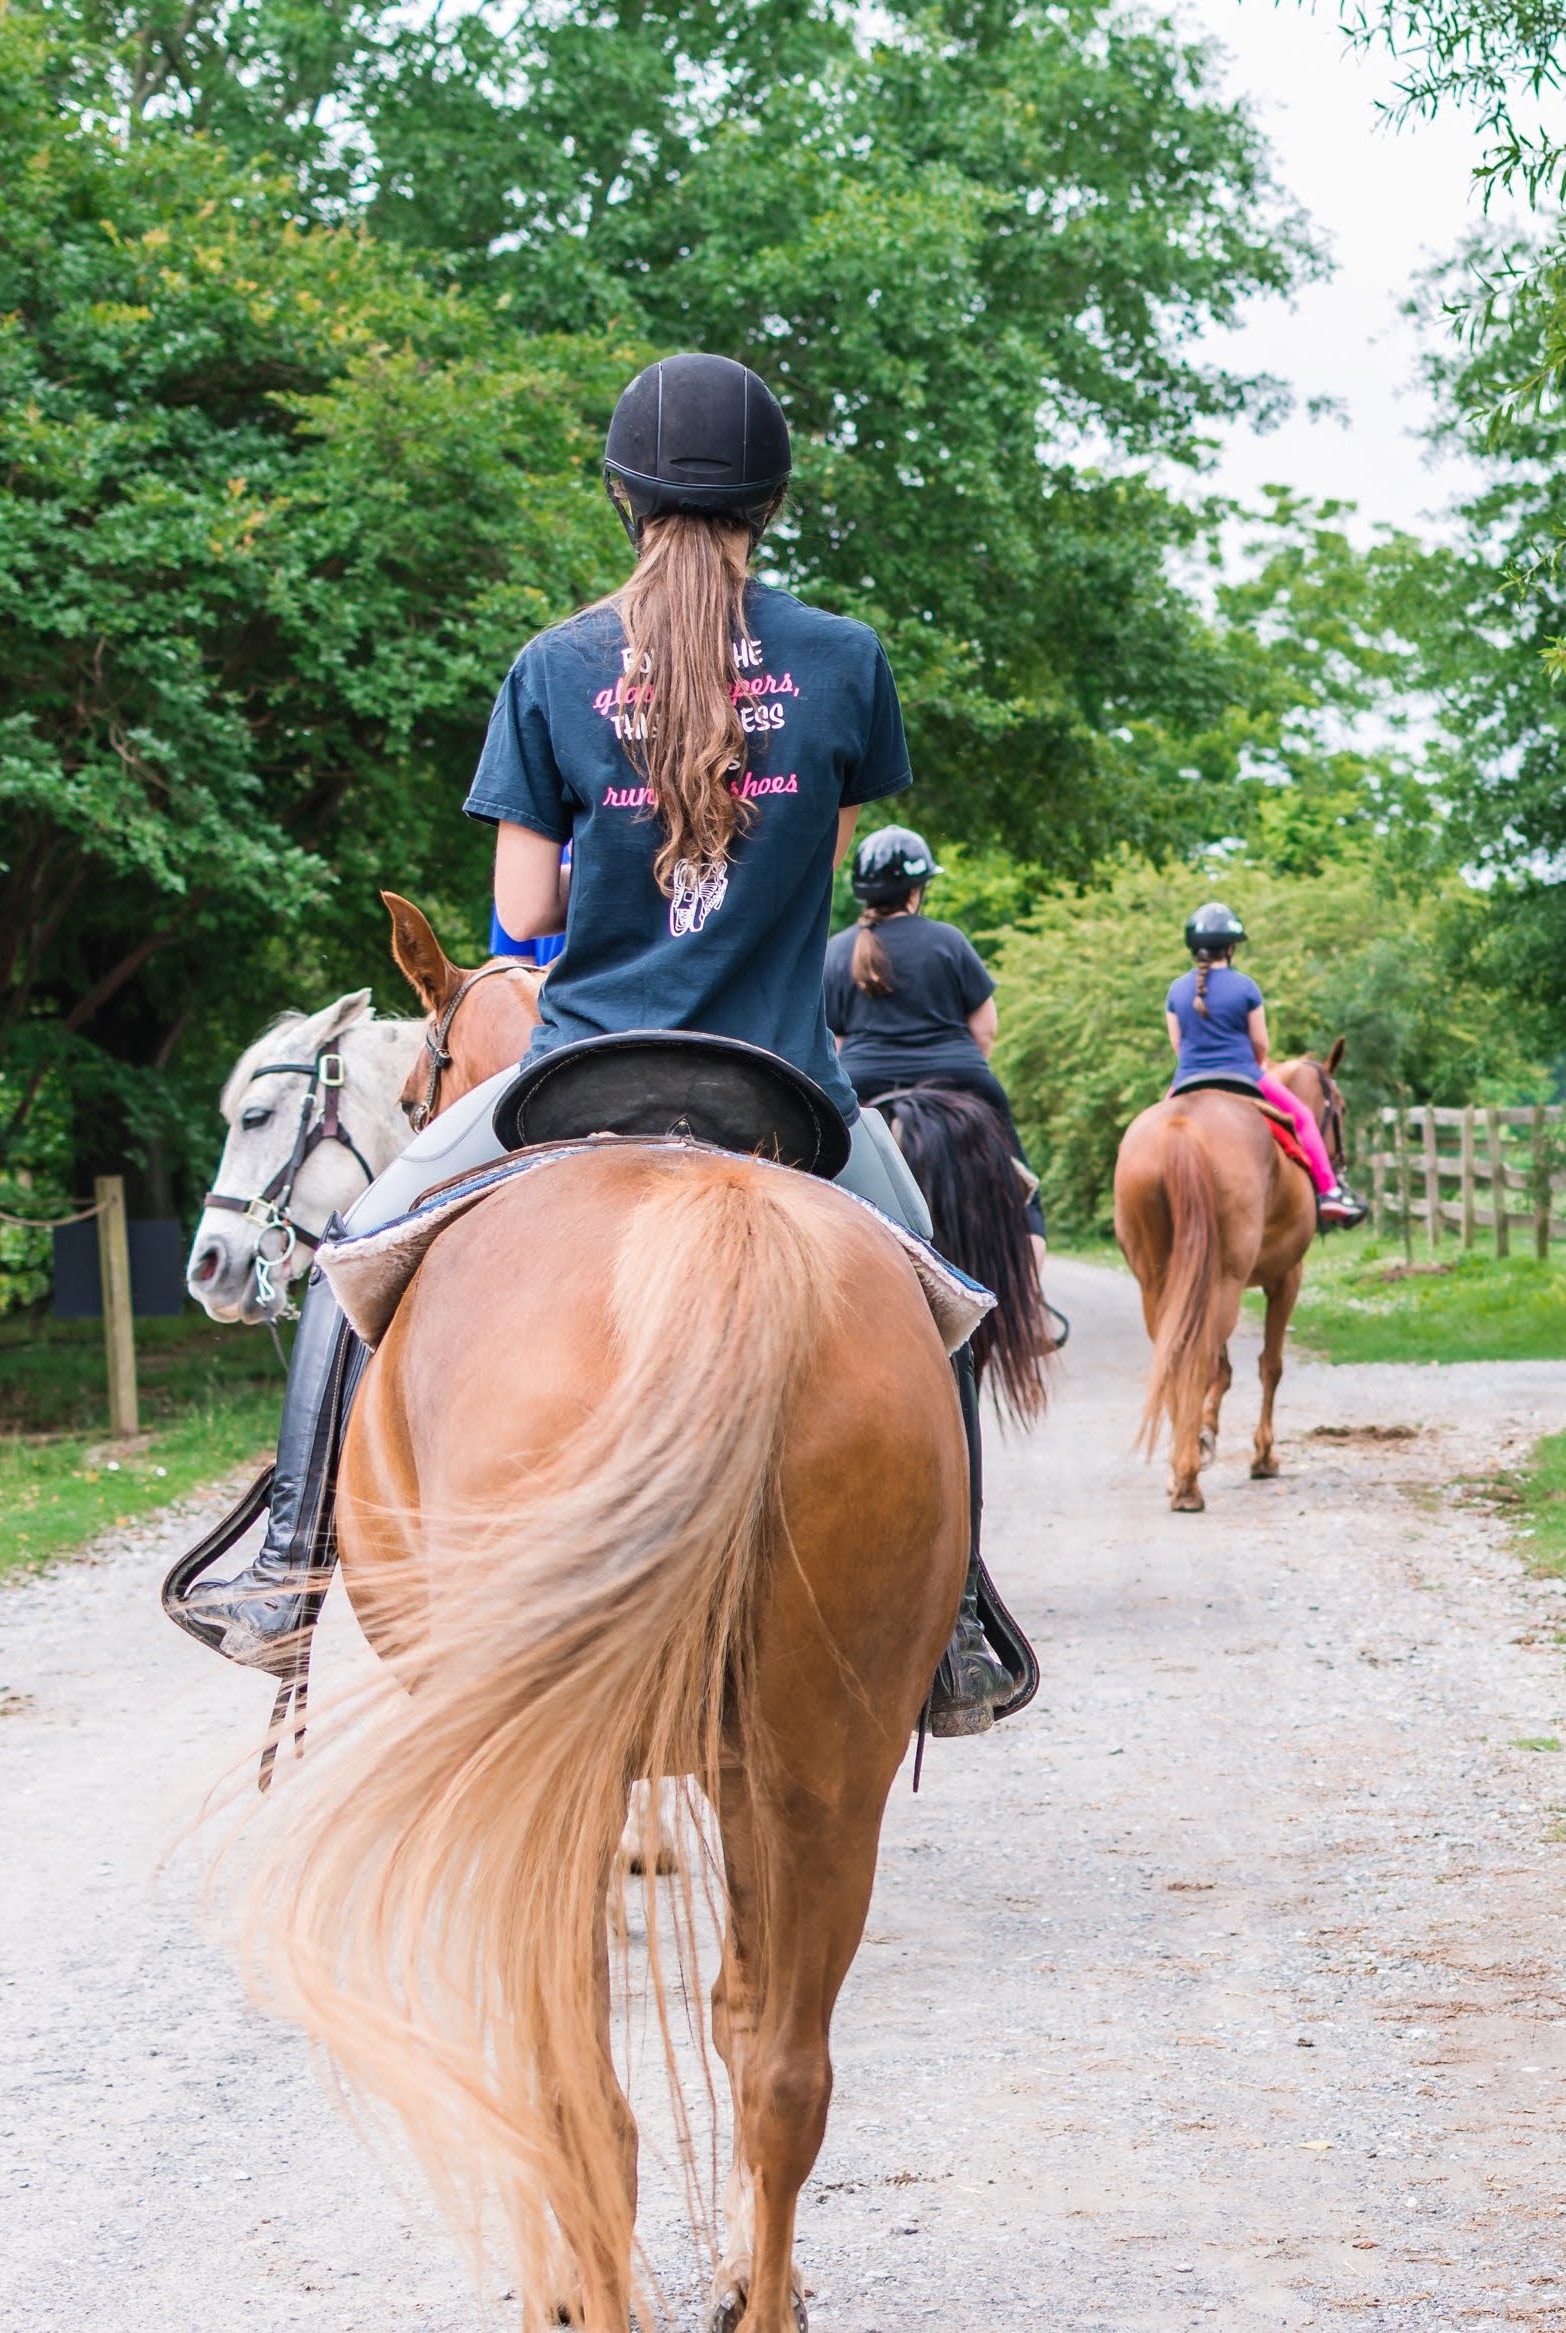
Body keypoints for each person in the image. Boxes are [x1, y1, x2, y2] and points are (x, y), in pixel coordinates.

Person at [183, 351, 1024, 1735]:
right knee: (938, 1298)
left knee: (353, 1261)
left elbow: (523, 911)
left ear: (622, 498)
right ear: (773, 499)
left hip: (578, 1080)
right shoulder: (843, 662)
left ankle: (282, 1566)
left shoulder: (557, 665)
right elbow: (803, 865)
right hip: (789, 1090)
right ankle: (961, 1624)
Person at [825, 825, 1045, 1247]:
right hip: (957, 1075)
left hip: (864, 1081)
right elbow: (985, 1031)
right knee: (1021, 1185)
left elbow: (833, 1046)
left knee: (814, 1174)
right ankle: (1031, 1242)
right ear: (917, 890)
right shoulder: (949, 941)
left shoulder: (836, 950)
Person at [1164, 902, 1367, 1228]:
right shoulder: (1246, 987)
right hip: (1244, 1075)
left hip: (1188, 1079)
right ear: (1230, 949)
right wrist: (1254, 1063)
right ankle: (1329, 1192)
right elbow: (1261, 1043)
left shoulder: (1175, 990)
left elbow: (1177, 1045)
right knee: (1302, 1118)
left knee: (1154, 1127)